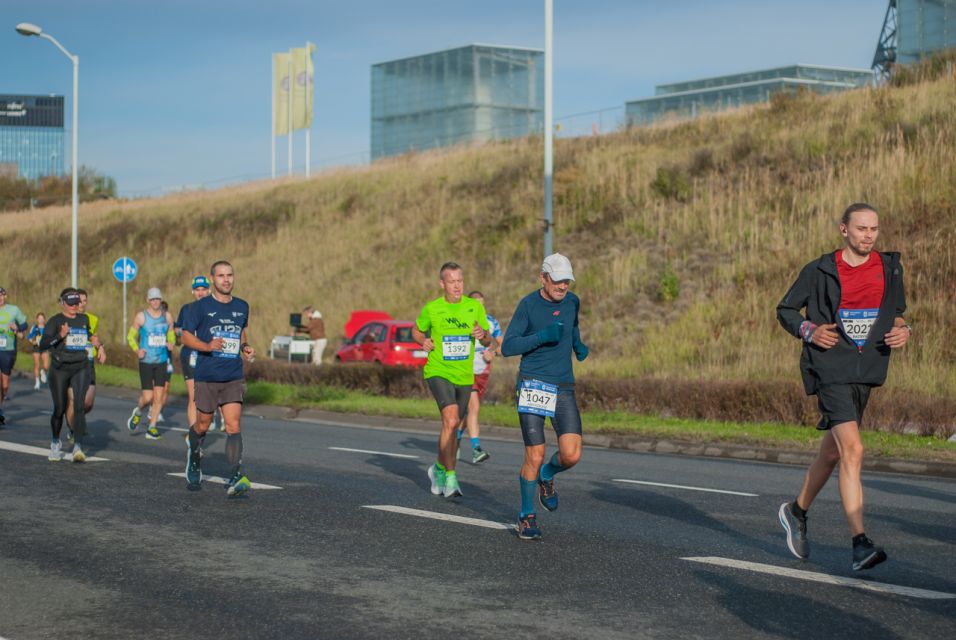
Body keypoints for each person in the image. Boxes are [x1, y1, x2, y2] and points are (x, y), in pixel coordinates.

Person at [776, 203, 910, 571]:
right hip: (829, 367)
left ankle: (796, 511)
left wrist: (904, 330)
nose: (869, 235)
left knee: (833, 454)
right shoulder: (820, 269)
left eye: (874, 229)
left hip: (865, 371)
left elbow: (897, 312)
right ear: (843, 230)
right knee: (853, 449)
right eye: (861, 228)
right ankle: (859, 543)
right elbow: (786, 310)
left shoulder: (889, 267)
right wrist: (810, 330)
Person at [501, 253, 589, 541]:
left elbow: (572, 325)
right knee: (535, 454)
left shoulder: (573, 301)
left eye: (567, 281)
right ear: (543, 278)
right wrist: (542, 336)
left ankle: (547, 476)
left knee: (571, 454)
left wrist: (577, 345)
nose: (563, 286)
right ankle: (526, 517)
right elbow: (509, 346)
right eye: (557, 281)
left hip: (563, 384)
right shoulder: (528, 305)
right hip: (533, 385)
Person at [412, 262, 491, 499]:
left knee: (453, 425)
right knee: (451, 418)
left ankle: (437, 467)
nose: (457, 286)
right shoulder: (433, 308)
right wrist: (422, 341)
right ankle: (451, 476)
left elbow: (489, 340)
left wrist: (482, 336)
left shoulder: (474, 307)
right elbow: (416, 330)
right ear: (442, 284)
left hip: (464, 375)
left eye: (460, 281)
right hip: (438, 370)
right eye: (452, 281)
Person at [180, 260, 256, 495]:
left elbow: (240, 329)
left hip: (233, 374)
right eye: (221, 275)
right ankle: (194, 457)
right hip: (207, 375)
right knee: (202, 425)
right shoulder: (199, 307)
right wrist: (206, 345)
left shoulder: (242, 306)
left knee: (233, 425)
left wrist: (244, 346)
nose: (226, 279)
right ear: (213, 279)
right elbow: (185, 337)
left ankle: (235, 475)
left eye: (230, 275)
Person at [39, 289, 93, 462]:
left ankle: (78, 445)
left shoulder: (84, 319)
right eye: (71, 304)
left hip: (80, 366)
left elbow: (89, 337)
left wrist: (99, 345)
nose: (74, 307)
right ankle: (55, 442)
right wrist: (60, 335)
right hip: (60, 368)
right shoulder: (55, 321)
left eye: (77, 303)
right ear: (63, 303)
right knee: (60, 408)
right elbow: (43, 344)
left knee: (79, 405)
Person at [456, 290, 503, 464]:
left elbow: (501, 345)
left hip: (482, 372)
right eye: (477, 303)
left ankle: (456, 439)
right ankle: (476, 450)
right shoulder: (461, 319)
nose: (480, 306)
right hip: (464, 370)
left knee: (469, 412)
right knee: (473, 408)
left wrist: (493, 353)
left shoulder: (491, 322)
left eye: (482, 303)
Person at [126, 288, 175, 440]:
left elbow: (171, 334)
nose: (155, 302)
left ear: (161, 300)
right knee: (148, 397)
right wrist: (137, 350)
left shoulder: (167, 317)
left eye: (158, 299)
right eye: (152, 299)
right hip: (146, 361)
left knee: (159, 396)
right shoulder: (141, 317)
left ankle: (152, 427)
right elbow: (130, 336)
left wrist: (171, 342)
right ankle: (138, 411)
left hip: (161, 361)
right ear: (148, 300)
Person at [65, 289, 107, 442]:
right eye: (78, 301)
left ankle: (77, 419)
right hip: (71, 364)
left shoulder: (92, 319)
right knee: (75, 400)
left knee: (87, 403)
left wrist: (100, 347)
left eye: (84, 301)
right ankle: (73, 429)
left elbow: (94, 337)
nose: (81, 304)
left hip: (88, 363)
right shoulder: (65, 318)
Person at [175, 275, 211, 434]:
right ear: (192, 291)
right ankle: (193, 435)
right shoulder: (186, 309)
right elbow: (178, 334)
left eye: (203, 289)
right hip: (191, 355)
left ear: (209, 290)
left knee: (209, 397)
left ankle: (201, 428)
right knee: (194, 397)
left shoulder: (215, 308)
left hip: (210, 355)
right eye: (197, 290)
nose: (201, 293)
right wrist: (177, 335)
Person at [0, 286, 28, 425]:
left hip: (8, 349)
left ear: (5, 296)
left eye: (2, 295)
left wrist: (17, 328)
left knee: (4, 385)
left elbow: (24, 324)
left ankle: (1, 402)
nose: (0, 298)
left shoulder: (14, 309)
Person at [28, 313, 50, 391]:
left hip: (45, 348)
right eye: (39, 318)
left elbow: (51, 337)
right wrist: (33, 342)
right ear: (37, 319)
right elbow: (29, 337)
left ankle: (43, 371)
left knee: (46, 365)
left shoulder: (48, 327)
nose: (41, 320)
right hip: (37, 348)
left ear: (44, 319)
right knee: (37, 364)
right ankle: (37, 382)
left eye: (42, 318)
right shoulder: (35, 327)